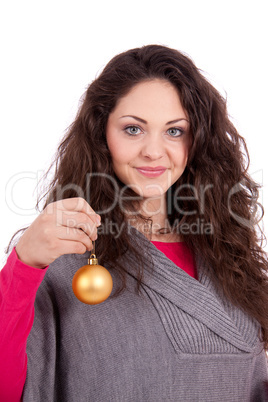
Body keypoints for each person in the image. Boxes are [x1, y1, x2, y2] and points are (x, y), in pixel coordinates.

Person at [0, 44, 267, 401]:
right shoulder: (63, 255)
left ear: (198, 140)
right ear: (101, 134)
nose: (154, 151)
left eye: (174, 131)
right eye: (133, 129)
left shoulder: (229, 254)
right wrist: (25, 265)